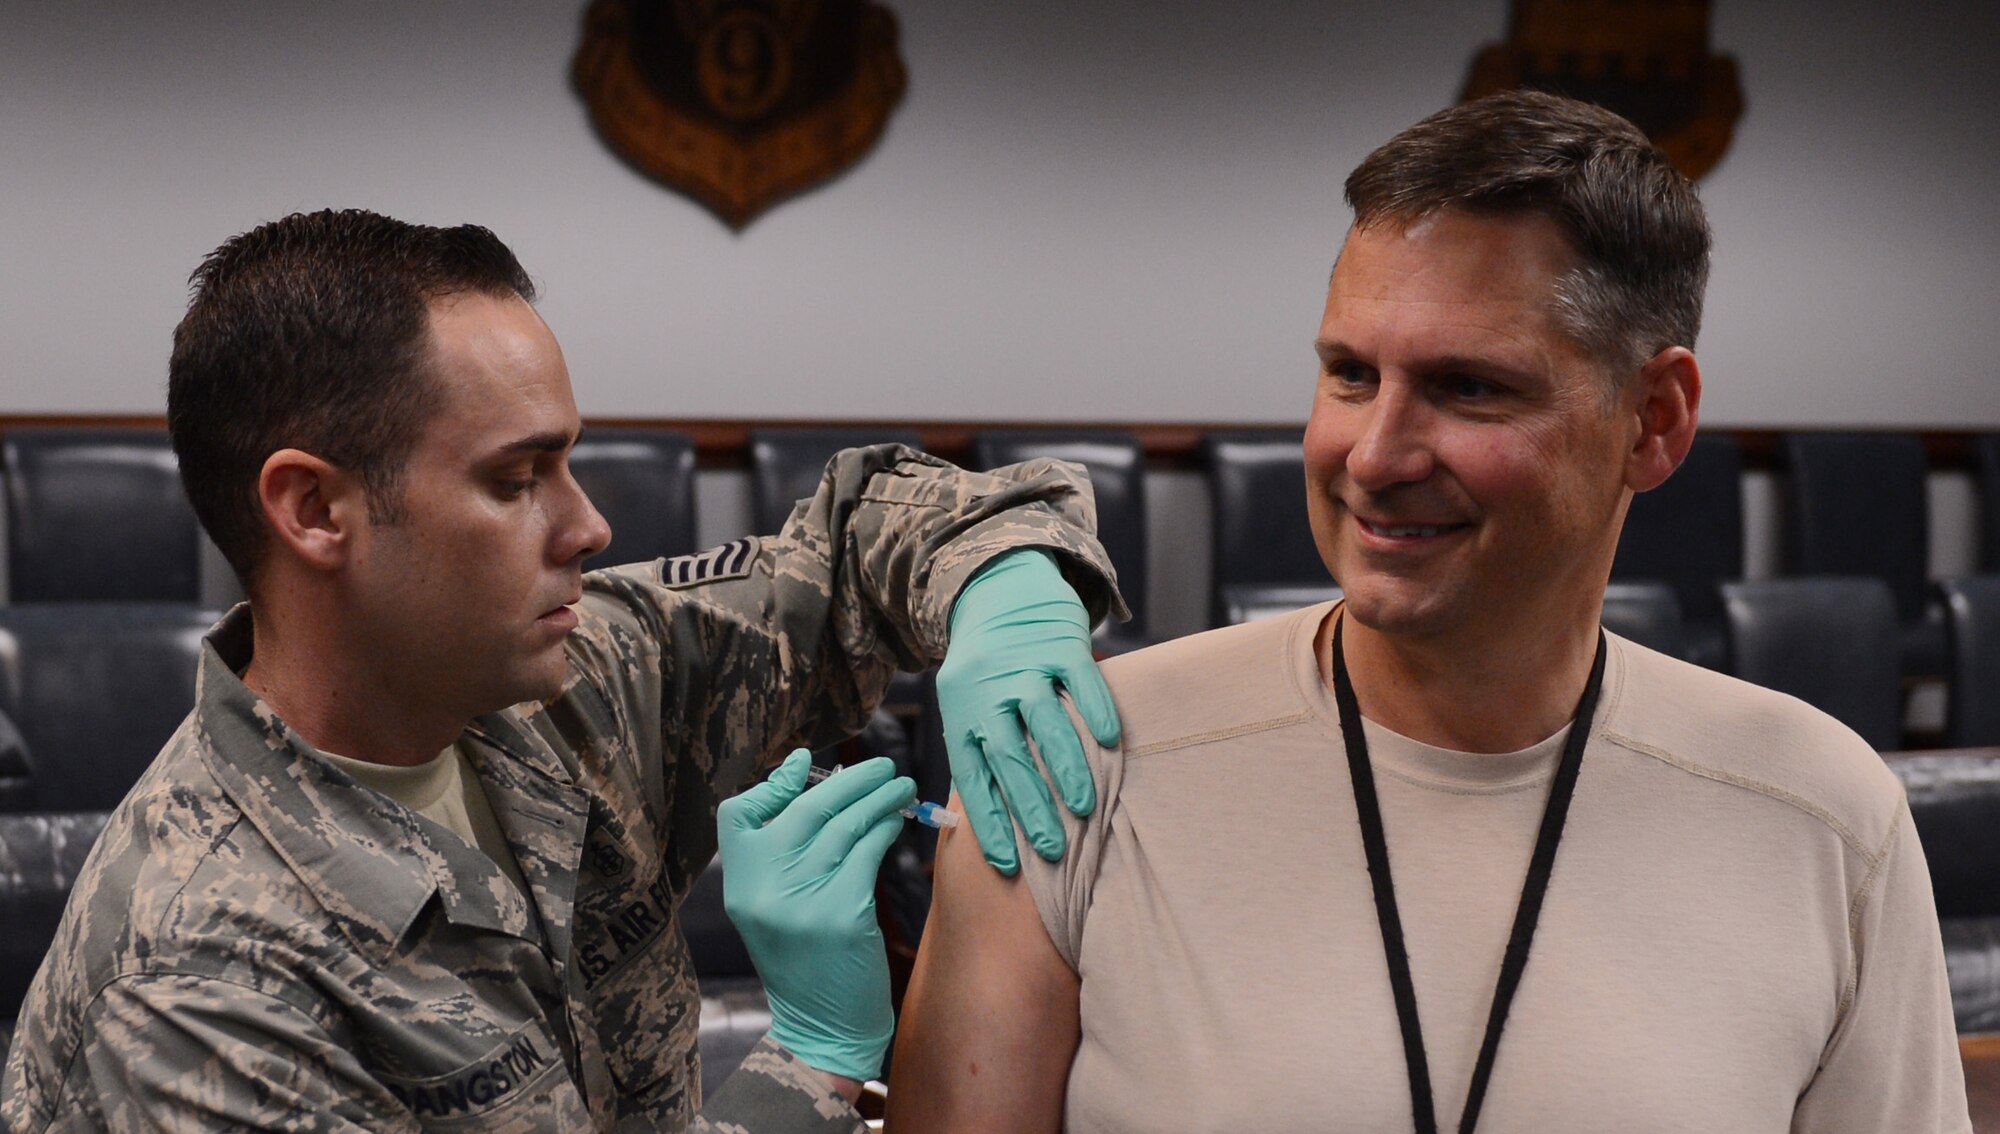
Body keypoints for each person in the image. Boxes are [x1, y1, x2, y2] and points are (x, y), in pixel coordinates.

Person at [890, 91, 1972, 1132]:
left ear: (1652, 419)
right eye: (1349, 374)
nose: (1373, 454)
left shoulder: (1818, 815)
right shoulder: (1069, 765)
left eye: (1468, 388)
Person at [1, 208, 1128, 1133]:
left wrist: (1004, 592)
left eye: (567, 462)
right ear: (314, 510)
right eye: (514, 478)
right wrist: (802, 1073)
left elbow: (865, 535)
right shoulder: (199, 990)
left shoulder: (553, 687)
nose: (587, 526)